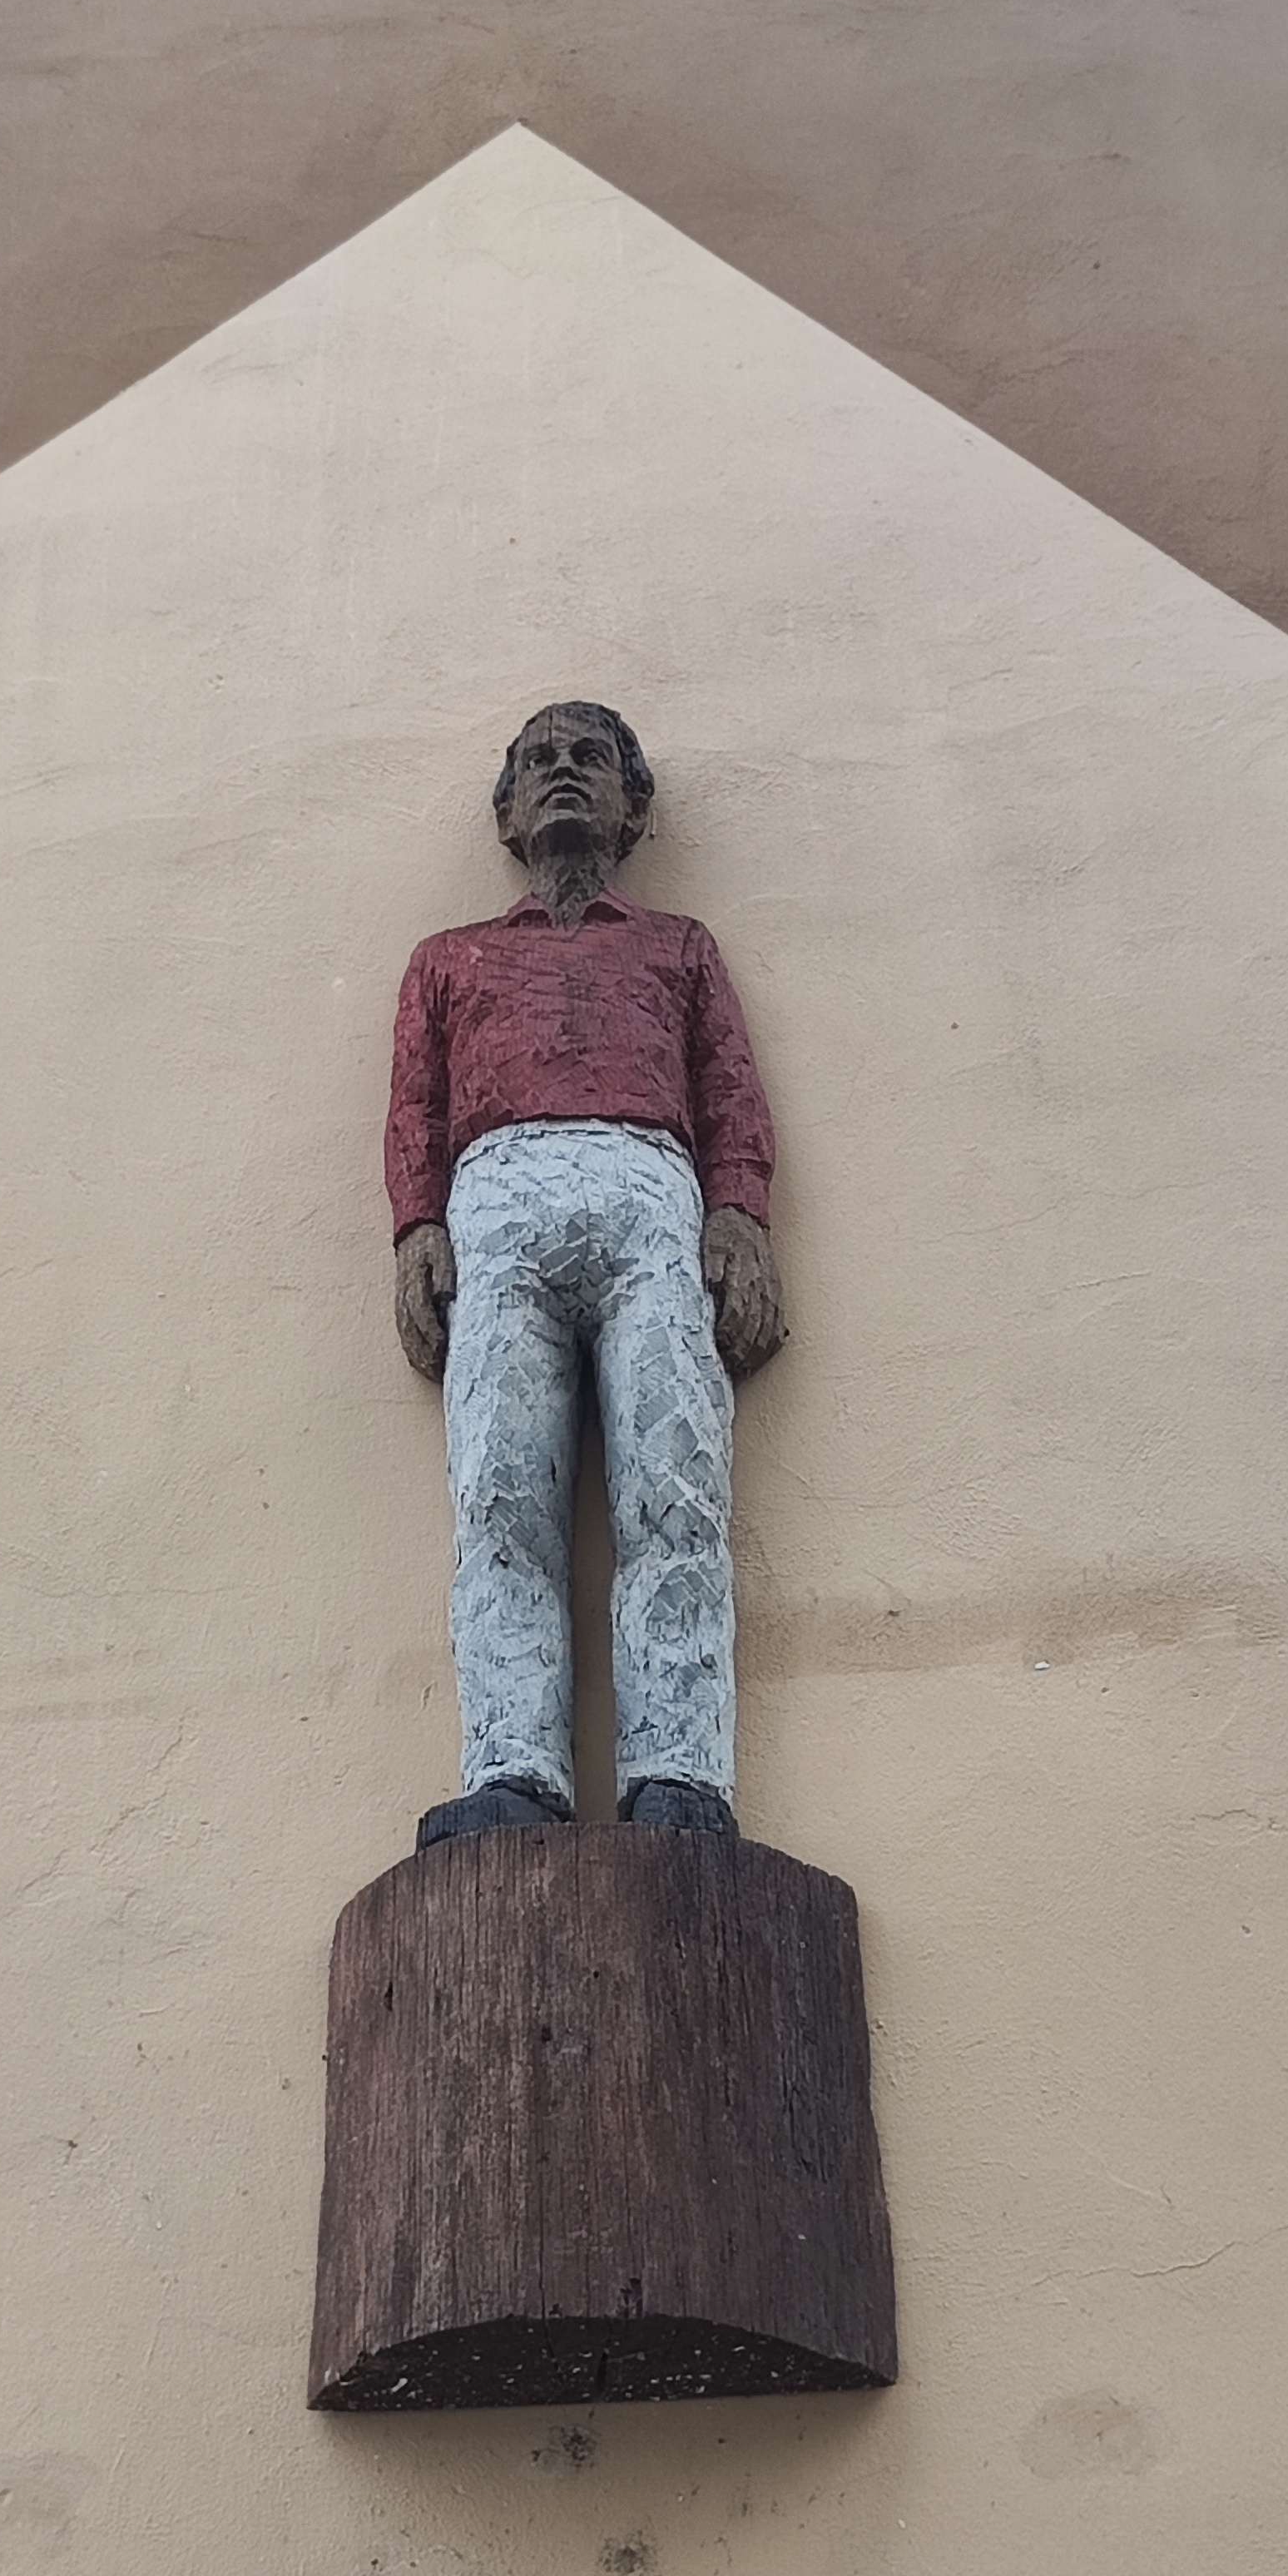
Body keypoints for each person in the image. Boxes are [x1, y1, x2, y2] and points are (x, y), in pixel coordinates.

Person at [386, 702, 786, 1847]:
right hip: (496, 1209)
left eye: (590, 759)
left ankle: (680, 1773)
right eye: (540, 762)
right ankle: (512, 1767)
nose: (563, 773)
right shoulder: (449, 961)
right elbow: (416, 1103)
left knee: (675, 1487)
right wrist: (417, 1227)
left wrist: (740, 1215)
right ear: (507, 814)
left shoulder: (679, 949)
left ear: (633, 805)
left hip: (650, 1199)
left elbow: (728, 1087)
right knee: (501, 1493)